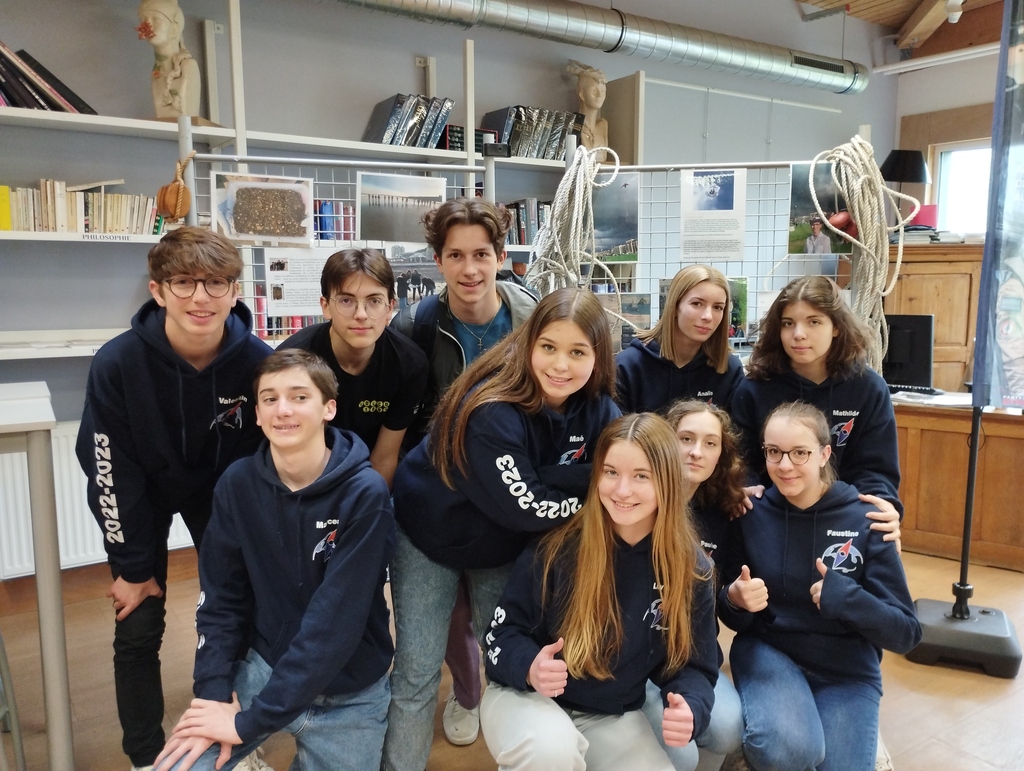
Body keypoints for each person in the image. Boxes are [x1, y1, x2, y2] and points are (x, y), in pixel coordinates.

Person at [383, 288, 621, 771]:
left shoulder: (600, 410)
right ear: (529, 343)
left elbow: (617, 476)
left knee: (511, 663)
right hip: (429, 533)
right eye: (549, 347)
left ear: (599, 357)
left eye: (578, 352)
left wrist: (550, 482)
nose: (561, 365)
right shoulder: (491, 407)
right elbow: (527, 507)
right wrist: (579, 488)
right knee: (417, 670)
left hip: (502, 545)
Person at [75, 227, 272, 771]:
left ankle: (237, 738)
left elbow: (261, 466)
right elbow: (108, 471)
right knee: (138, 620)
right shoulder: (117, 363)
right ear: (158, 291)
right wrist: (133, 567)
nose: (200, 298)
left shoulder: (259, 362)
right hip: (141, 489)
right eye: (184, 282)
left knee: (238, 615)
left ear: (235, 291)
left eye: (216, 283)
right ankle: (145, 756)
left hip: (221, 495)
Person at [152, 349, 396, 771]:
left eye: (299, 397)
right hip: (267, 667)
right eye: (270, 399)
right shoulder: (237, 485)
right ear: (258, 415)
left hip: (349, 692)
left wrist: (248, 724)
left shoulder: (366, 494)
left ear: (328, 409)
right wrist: (213, 692)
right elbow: (220, 600)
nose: (283, 409)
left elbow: (332, 626)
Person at [480, 413, 719, 771]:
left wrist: (691, 705)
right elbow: (500, 635)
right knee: (552, 752)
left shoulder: (691, 568)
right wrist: (530, 666)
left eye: (641, 476)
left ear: (668, 481)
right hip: (524, 696)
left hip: (610, 713)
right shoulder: (558, 545)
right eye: (611, 472)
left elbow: (695, 665)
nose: (622, 490)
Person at [390, 197, 538, 747]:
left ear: (500, 256)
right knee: (437, 625)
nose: (470, 269)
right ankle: (467, 691)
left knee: (502, 630)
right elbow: (402, 427)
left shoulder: (533, 321)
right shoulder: (415, 326)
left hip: (507, 507)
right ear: (438, 260)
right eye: (455, 255)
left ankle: (508, 721)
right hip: (436, 502)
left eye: (481, 254)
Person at [718, 402, 921, 771]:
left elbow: (906, 633)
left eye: (800, 453)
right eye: (774, 452)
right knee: (789, 752)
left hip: (846, 670)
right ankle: (765, 736)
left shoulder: (867, 518)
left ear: (825, 454)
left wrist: (847, 599)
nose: (785, 465)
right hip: (769, 653)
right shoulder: (749, 512)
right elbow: (733, 616)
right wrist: (735, 600)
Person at [731, 276, 904, 523]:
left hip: (844, 516)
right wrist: (746, 488)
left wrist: (880, 511)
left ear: (836, 327)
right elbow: (741, 461)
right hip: (770, 515)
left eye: (814, 322)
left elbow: (876, 471)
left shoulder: (869, 389)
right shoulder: (753, 389)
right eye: (788, 323)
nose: (798, 334)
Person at [640, 400, 748, 771]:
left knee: (729, 731)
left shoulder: (724, 513)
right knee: (680, 755)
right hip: (636, 660)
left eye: (710, 443)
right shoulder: (633, 499)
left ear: (722, 454)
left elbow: (723, 605)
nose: (696, 451)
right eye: (685, 438)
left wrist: (734, 599)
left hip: (691, 657)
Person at [278, 247, 427, 487]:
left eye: (374, 301)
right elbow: (289, 451)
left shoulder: (409, 364)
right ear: (325, 306)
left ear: (390, 308)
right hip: (306, 475)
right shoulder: (292, 361)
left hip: (368, 476)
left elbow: (385, 457)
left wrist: (368, 503)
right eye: (346, 301)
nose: (361, 314)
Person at [616, 265, 744, 413]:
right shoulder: (627, 367)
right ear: (675, 306)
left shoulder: (730, 370)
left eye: (718, 307)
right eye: (697, 304)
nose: (708, 316)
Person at [136, 0, 201, 118]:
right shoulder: (156, 72)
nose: (148, 25)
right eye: (143, 20)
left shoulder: (188, 67)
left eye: (156, 19)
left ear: (175, 29)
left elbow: (188, 120)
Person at [567, 60, 609, 162]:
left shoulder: (603, 125)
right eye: (594, 91)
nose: (600, 95)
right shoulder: (574, 124)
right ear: (582, 95)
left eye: (603, 91)